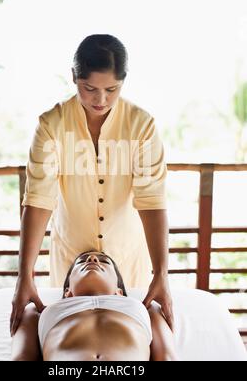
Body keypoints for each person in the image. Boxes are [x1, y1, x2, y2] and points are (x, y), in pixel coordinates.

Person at [10, 34, 173, 336]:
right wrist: (25, 275)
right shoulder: (51, 125)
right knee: (72, 338)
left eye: (112, 90)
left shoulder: (142, 125)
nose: (100, 100)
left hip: (129, 259)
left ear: (123, 82)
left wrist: (161, 273)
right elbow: (38, 200)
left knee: (127, 339)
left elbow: (152, 201)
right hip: (71, 263)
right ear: (74, 77)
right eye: (90, 89)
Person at [11, 252, 178, 361]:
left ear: (119, 291)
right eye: (81, 262)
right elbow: (21, 358)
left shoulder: (148, 309)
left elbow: (167, 357)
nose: (92, 259)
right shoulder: (37, 312)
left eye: (104, 261)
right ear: (68, 291)